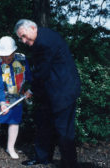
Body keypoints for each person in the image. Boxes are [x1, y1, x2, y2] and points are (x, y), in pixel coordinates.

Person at [14, 19, 81, 167]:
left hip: (63, 91)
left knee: (64, 132)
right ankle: (42, 157)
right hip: (49, 91)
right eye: (21, 38)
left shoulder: (46, 42)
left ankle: (69, 164)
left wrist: (31, 90)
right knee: (43, 125)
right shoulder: (40, 39)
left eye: (24, 36)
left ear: (32, 27)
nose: (23, 41)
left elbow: (42, 71)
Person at [0, 36, 32, 159]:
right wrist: (1, 103)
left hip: (17, 96)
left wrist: (29, 89)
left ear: (13, 52)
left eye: (8, 55)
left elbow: (29, 77)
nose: (5, 58)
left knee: (14, 122)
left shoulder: (22, 60)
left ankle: (10, 148)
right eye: (3, 55)